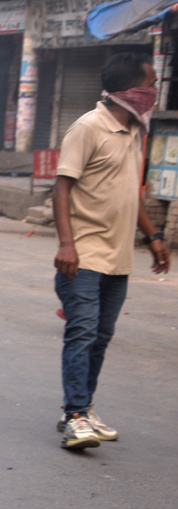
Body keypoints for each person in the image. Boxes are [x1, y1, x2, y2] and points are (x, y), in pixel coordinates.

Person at [52, 52, 170, 449]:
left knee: (100, 337)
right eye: (151, 85)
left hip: (117, 259)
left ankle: (83, 408)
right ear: (131, 90)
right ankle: (74, 416)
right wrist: (67, 244)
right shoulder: (88, 127)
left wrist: (153, 237)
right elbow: (62, 187)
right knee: (82, 333)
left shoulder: (134, 131)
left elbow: (129, 192)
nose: (155, 92)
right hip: (83, 256)